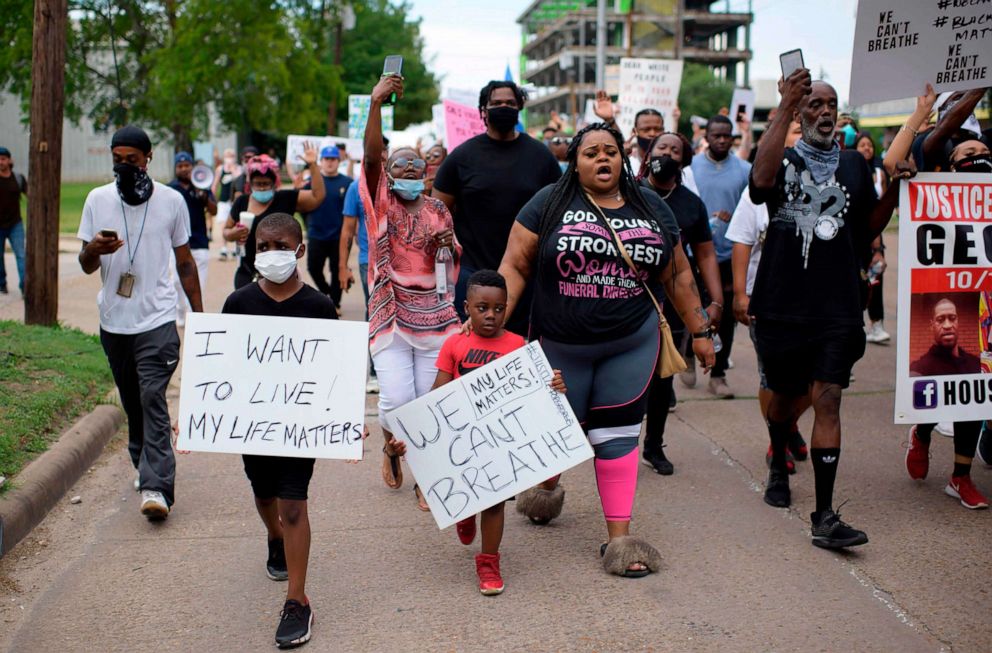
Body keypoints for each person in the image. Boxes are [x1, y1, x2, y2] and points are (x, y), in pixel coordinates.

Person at [499, 122, 715, 577]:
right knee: (564, 432)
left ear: (624, 159)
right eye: (592, 152)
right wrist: (492, 319)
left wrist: (699, 331)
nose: (603, 159)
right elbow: (515, 265)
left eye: (611, 152)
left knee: (615, 435)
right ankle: (546, 488)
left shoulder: (651, 206)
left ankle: (619, 540)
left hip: (630, 342)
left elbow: (677, 274)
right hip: (562, 346)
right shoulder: (550, 202)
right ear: (575, 162)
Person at [749, 71, 911, 548]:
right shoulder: (781, 155)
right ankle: (779, 458)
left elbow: (863, 229)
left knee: (829, 398)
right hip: (782, 304)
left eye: (830, 105)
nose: (823, 112)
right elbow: (760, 185)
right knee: (782, 399)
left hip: (837, 305)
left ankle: (824, 515)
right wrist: (783, 106)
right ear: (800, 112)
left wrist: (895, 192)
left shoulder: (853, 166)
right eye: (813, 104)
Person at [392, 269, 566, 596]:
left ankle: (488, 561)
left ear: (506, 307)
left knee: (496, 501)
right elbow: (436, 394)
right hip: (464, 440)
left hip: (501, 440)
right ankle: (465, 512)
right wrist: (411, 431)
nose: (490, 315)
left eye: (498, 309)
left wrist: (556, 387)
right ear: (467, 308)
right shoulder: (454, 344)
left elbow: (539, 397)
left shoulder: (518, 345)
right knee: (471, 492)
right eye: (482, 308)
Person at [221, 213, 337, 648]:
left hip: (299, 429)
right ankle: (274, 538)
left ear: (300, 251)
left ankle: (297, 601)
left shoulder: (319, 307)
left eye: (281, 246)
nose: (271, 254)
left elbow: (332, 373)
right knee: (264, 494)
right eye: (263, 247)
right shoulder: (238, 303)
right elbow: (221, 371)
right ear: (252, 249)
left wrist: (340, 422)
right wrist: (197, 415)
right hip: (254, 426)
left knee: (292, 505)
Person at [77, 125, 203, 520]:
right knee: (134, 403)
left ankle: (157, 487)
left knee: (152, 398)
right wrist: (94, 250)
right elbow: (85, 264)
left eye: (131, 160)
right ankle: (143, 461)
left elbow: (185, 261)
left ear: (148, 158)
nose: (124, 166)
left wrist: (199, 317)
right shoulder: (97, 199)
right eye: (117, 160)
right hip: (114, 322)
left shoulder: (171, 201)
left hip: (158, 319)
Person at [360, 74, 461, 505]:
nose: (407, 169)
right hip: (391, 312)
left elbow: (453, 255)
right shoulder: (380, 199)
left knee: (428, 401)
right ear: (387, 172)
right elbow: (368, 158)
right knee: (397, 399)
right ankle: (391, 445)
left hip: (436, 316)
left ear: (425, 170)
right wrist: (376, 104)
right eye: (398, 163)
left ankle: (426, 475)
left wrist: (445, 247)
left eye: (413, 164)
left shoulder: (438, 208)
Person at [432, 80, 561, 334]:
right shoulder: (461, 157)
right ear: (483, 110)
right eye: (496, 103)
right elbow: (436, 214)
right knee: (472, 348)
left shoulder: (541, 157)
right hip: (471, 274)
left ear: (520, 107)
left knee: (519, 347)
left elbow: (561, 210)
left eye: (510, 103)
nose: (504, 107)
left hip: (527, 277)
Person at [728, 120, 810, 475]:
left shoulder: (825, 184)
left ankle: (788, 422)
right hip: (769, 301)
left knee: (814, 379)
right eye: (793, 130)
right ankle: (777, 437)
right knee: (772, 378)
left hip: (815, 302)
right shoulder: (759, 189)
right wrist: (741, 294)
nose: (801, 135)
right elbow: (742, 242)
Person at [639, 132, 723, 475]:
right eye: (662, 148)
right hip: (626, 297)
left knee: (663, 376)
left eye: (676, 150)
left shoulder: (690, 203)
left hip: (673, 301)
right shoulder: (626, 191)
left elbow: (704, 253)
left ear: (684, 160)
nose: (668, 154)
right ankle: (613, 445)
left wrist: (714, 300)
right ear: (648, 155)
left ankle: (653, 445)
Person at [691, 114, 752, 399]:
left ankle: (718, 375)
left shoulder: (743, 169)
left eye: (727, 135)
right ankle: (686, 355)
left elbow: (749, 208)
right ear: (707, 135)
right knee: (692, 309)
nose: (722, 140)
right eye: (716, 135)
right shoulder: (690, 168)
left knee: (725, 314)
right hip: (693, 253)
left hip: (728, 255)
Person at [223, 147, 325, 289]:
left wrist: (313, 165)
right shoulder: (242, 202)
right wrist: (234, 233)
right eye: (258, 184)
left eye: (266, 184)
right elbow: (226, 232)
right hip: (248, 273)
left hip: (283, 276)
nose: (262, 188)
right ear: (250, 184)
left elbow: (317, 197)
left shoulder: (286, 198)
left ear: (274, 184)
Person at [339, 175, 378, 394]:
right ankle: (375, 372)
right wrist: (342, 267)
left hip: (401, 262)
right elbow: (347, 229)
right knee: (374, 313)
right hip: (369, 262)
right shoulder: (356, 188)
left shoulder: (399, 182)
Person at [303, 145, 352, 310]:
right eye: (327, 159)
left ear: (339, 161)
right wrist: (307, 224)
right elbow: (302, 205)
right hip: (316, 233)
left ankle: (335, 304)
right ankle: (326, 294)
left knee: (337, 269)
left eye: (333, 159)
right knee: (313, 268)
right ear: (321, 161)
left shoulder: (348, 183)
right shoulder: (313, 182)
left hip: (339, 236)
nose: (330, 163)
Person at [168, 151, 215, 322]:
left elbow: (214, 211)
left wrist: (204, 197)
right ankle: (181, 310)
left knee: (197, 284)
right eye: (180, 166)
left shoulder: (202, 185)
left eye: (187, 165)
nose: (184, 169)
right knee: (177, 283)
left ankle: (192, 318)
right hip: (177, 244)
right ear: (176, 169)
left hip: (199, 242)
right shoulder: (170, 188)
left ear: (192, 167)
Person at [853, 132, 891, 345]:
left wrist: (878, 247)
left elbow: (883, 203)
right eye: (862, 145)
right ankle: (856, 323)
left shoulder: (879, 171)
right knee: (858, 280)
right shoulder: (850, 171)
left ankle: (877, 324)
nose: (866, 148)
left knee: (876, 278)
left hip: (876, 233)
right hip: (858, 235)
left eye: (869, 145)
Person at [910, 298, 981, 377]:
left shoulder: (977, 364)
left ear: (958, 322)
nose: (947, 325)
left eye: (952, 318)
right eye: (940, 320)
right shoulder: (919, 370)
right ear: (932, 325)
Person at [0, 146, 27, 295]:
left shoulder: (18, 178)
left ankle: (24, 285)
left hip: (15, 223)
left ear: (9, 160)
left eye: (3, 159)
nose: (0, 162)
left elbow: (31, 194)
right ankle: (2, 284)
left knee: (21, 254)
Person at [213, 148, 241, 260]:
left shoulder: (238, 169)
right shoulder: (220, 169)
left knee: (235, 223)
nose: (229, 158)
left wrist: (233, 170)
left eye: (231, 155)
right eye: (227, 155)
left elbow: (239, 181)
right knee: (224, 224)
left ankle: (235, 247)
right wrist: (215, 199)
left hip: (234, 201)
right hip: (223, 201)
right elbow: (215, 185)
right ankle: (224, 247)